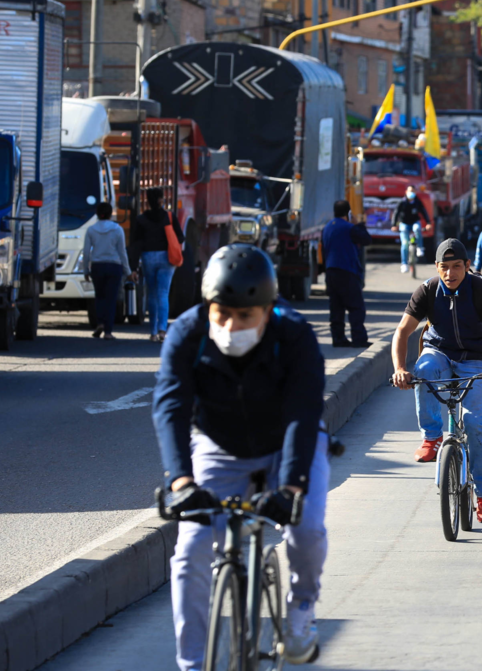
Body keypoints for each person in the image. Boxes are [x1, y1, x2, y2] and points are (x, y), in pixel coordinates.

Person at [155, 245, 328, 669]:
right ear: (207, 306)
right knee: (191, 551)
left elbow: (303, 413)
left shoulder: (295, 336)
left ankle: (301, 610)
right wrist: (181, 481)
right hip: (219, 446)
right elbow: (171, 407)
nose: (232, 326)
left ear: (268, 310)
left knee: (305, 529)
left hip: (288, 445)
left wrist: (291, 488)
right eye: (222, 314)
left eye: (245, 315)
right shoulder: (187, 333)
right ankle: (193, 663)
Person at [390, 239, 482, 521]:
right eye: (444, 267)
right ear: (436, 267)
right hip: (440, 353)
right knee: (423, 370)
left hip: (477, 359)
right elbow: (402, 331)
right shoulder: (428, 290)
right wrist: (399, 368)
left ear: (467, 265)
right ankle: (432, 437)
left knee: (473, 422)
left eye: (457, 266)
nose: (450, 273)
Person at [130, 187, 184, 343]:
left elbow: (135, 244)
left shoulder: (141, 219)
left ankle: (153, 332)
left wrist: (133, 267)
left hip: (148, 257)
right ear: (161, 200)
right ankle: (162, 330)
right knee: (163, 293)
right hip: (167, 258)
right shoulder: (169, 217)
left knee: (152, 294)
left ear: (147, 201)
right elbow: (180, 237)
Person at [321, 200, 371, 348]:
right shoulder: (350, 228)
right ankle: (358, 338)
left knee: (336, 307)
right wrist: (358, 224)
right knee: (356, 307)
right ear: (348, 213)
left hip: (331, 271)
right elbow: (366, 239)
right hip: (347, 271)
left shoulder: (327, 228)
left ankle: (338, 338)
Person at [81, 202, 132, 340]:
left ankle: (100, 323)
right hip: (114, 267)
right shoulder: (117, 229)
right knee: (111, 299)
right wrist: (128, 272)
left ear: (97, 214)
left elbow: (86, 252)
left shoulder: (91, 230)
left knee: (99, 296)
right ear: (111, 214)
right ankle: (108, 331)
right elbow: (122, 253)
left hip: (97, 266)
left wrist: (86, 270)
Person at [390, 185, 431, 273]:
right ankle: (404, 264)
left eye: (413, 191)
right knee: (404, 243)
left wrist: (428, 223)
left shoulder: (417, 202)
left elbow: (424, 212)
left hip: (414, 222)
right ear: (406, 192)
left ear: (415, 192)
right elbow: (396, 213)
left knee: (417, 229)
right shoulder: (402, 202)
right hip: (404, 224)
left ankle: (420, 247)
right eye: (409, 191)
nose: (411, 193)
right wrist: (394, 225)